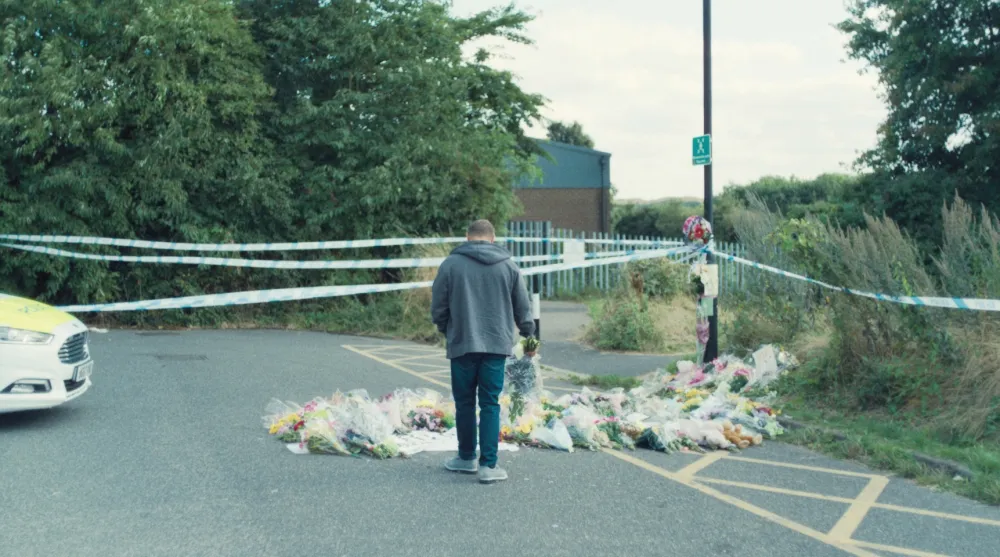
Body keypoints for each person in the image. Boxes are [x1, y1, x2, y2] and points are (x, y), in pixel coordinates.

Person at [431, 219, 536, 484]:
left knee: (464, 402)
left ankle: (466, 457)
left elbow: (438, 306)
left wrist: (447, 328)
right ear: (492, 238)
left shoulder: (451, 264)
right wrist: (528, 332)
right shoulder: (508, 266)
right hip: (496, 345)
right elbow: (522, 306)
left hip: (462, 342)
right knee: (490, 403)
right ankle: (489, 465)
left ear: (467, 237)